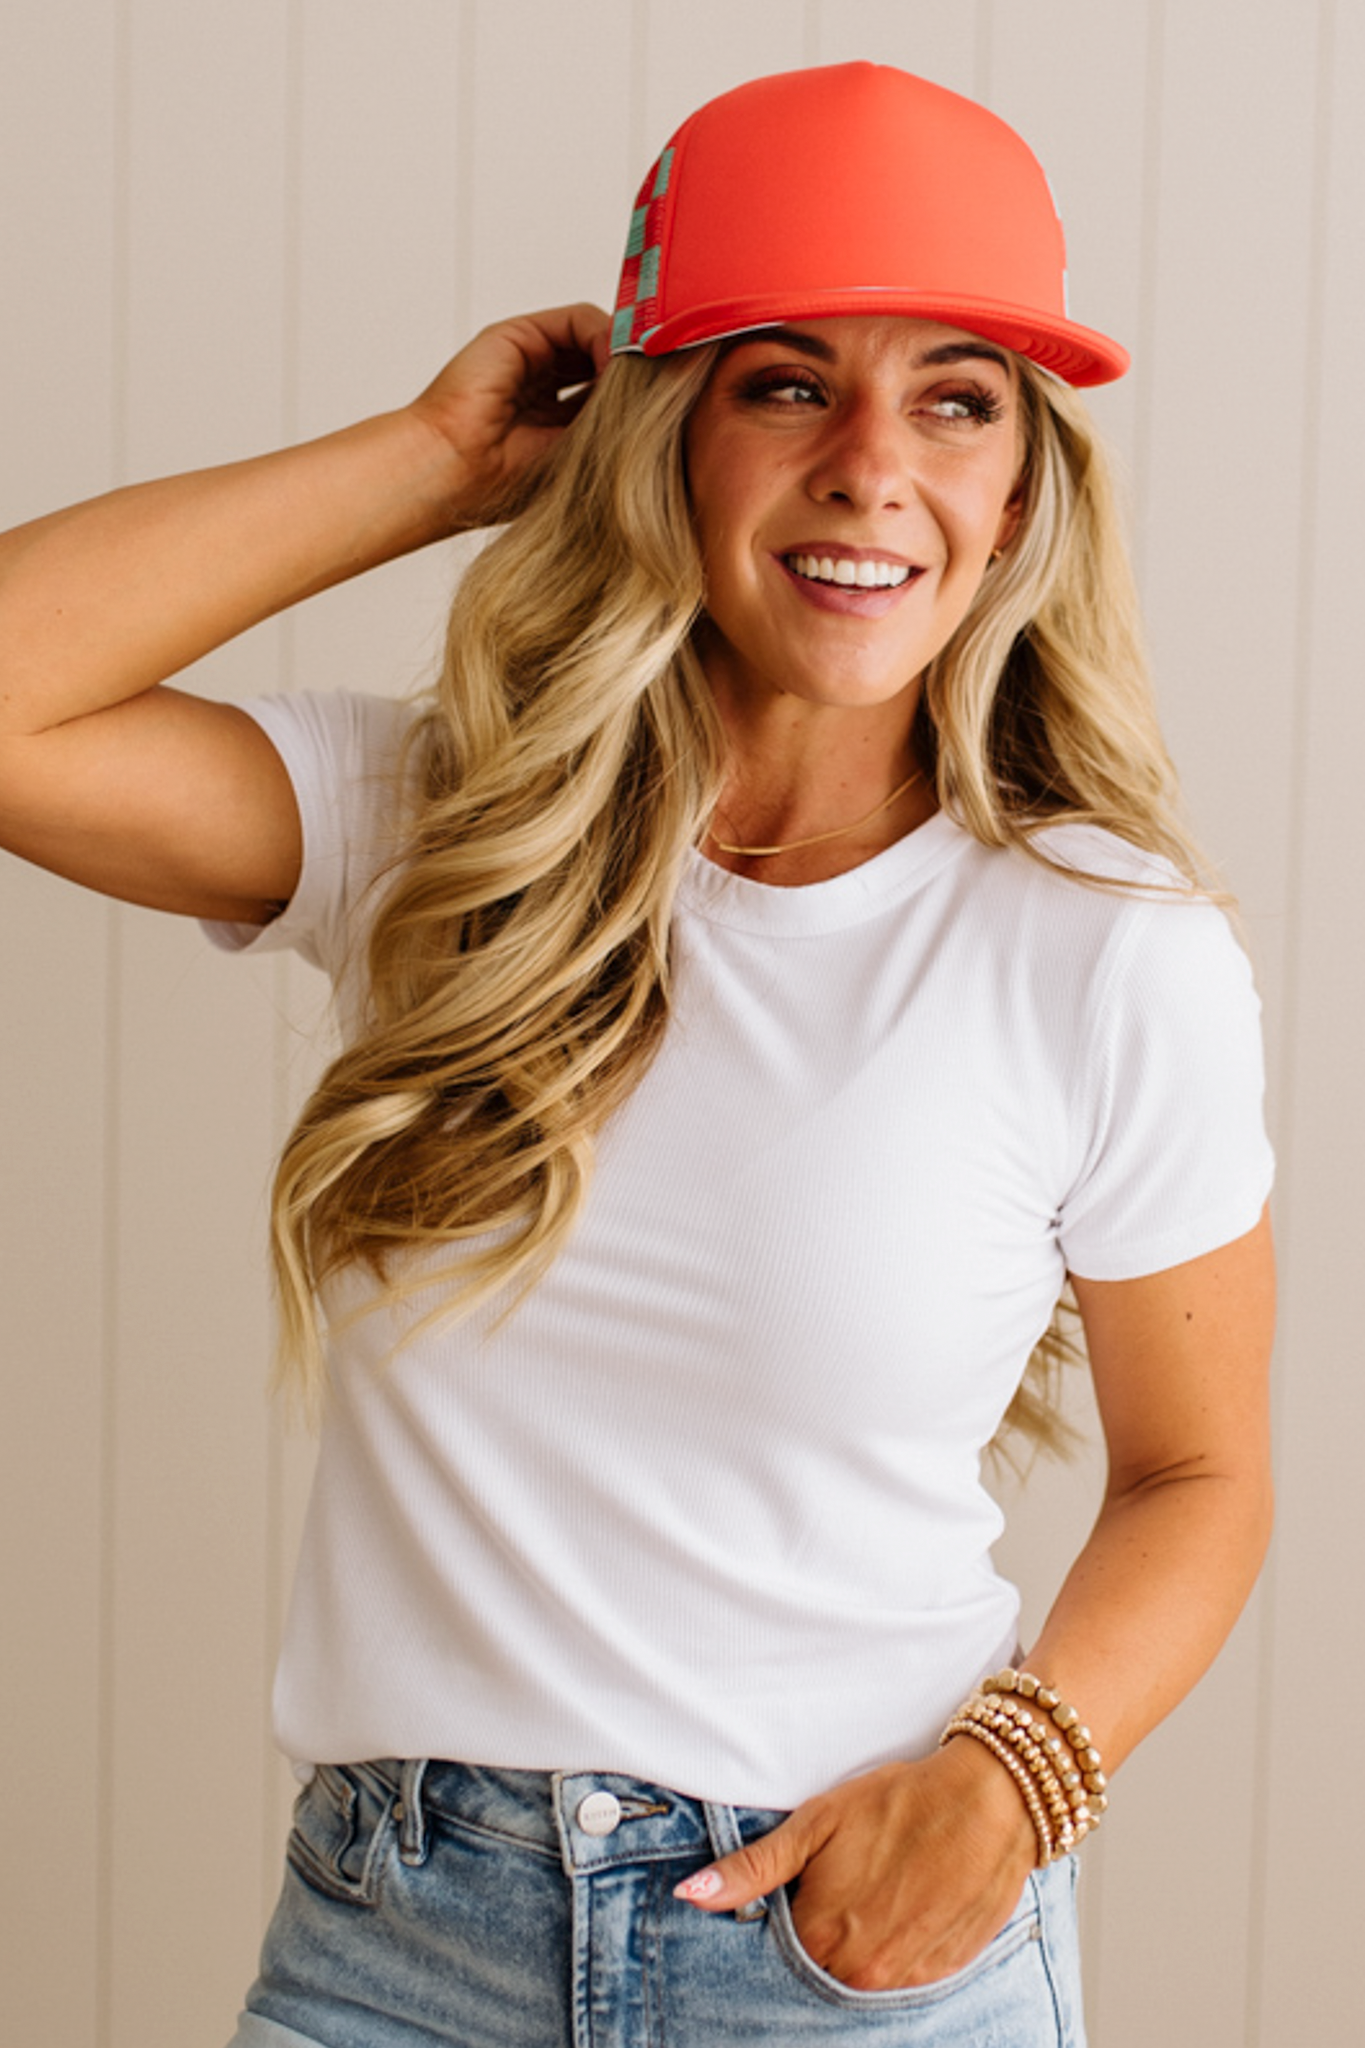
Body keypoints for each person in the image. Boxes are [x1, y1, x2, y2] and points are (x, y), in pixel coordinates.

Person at [0, 61, 1274, 2048]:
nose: (871, 466)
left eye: (956, 399)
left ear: (1022, 488)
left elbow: (1199, 1472)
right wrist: (435, 461)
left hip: (843, 1956)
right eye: (785, 384)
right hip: (393, 1951)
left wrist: (1013, 1783)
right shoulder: (441, 829)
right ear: (663, 440)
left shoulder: (1106, 948)